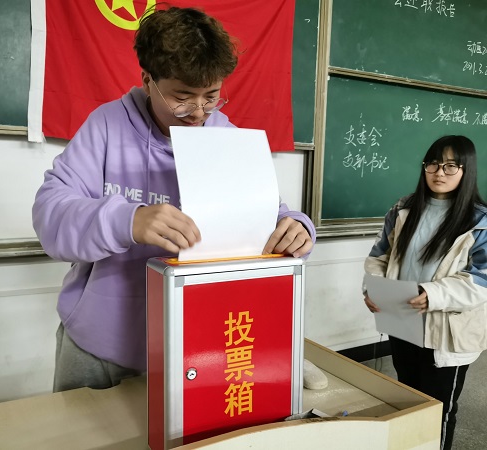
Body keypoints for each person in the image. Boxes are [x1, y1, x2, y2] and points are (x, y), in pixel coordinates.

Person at [33, 6, 316, 393]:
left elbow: (269, 214)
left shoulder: (226, 138)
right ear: (148, 80)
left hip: (194, 345)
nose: (198, 112)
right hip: (99, 345)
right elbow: (50, 213)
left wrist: (296, 226)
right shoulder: (107, 126)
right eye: (182, 97)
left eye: (211, 97)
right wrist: (127, 221)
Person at [363, 135, 487, 450]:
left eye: (450, 166)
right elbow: (379, 257)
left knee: (438, 408)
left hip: (447, 331)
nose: (439, 172)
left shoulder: (480, 221)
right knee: (409, 399)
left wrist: (433, 294)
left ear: (466, 170)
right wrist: (374, 288)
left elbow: (481, 280)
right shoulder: (403, 209)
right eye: (433, 163)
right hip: (402, 321)